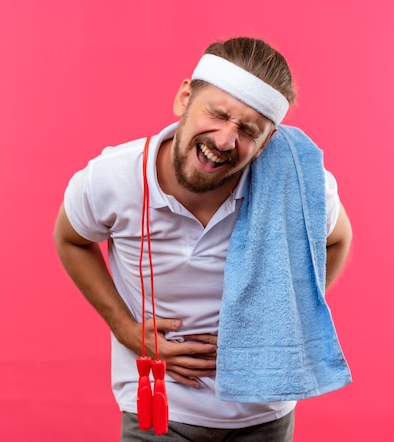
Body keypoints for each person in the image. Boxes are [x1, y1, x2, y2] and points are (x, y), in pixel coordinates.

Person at [54, 36, 353, 441]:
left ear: (267, 144)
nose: (226, 140)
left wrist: (279, 323)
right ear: (184, 98)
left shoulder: (298, 184)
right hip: (159, 405)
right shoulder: (112, 177)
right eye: (217, 113)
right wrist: (124, 328)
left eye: (249, 130)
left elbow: (338, 239)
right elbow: (70, 238)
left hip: (264, 413)